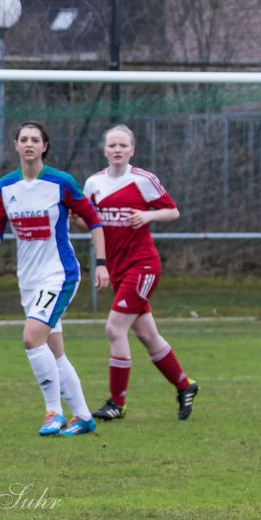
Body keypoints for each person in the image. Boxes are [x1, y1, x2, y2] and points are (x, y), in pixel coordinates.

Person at [0, 121, 109, 437]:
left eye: (34, 140)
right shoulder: (6, 186)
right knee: (55, 351)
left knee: (31, 338)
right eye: (23, 139)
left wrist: (103, 263)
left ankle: (53, 411)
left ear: (44, 146)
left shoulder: (60, 182)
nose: (28, 144)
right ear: (16, 145)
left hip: (59, 274)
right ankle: (82, 417)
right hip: (29, 279)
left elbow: (93, 220)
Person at [83, 125, 199, 421]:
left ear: (132, 150)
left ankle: (116, 402)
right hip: (118, 267)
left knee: (114, 328)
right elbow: (91, 225)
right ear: (105, 150)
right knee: (147, 334)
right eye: (113, 145)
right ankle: (185, 386)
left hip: (143, 266)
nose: (118, 149)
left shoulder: (144, 180)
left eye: (123, 145)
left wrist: (148, 214)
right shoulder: (93, 184)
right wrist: (78, 221)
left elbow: (172, 211)